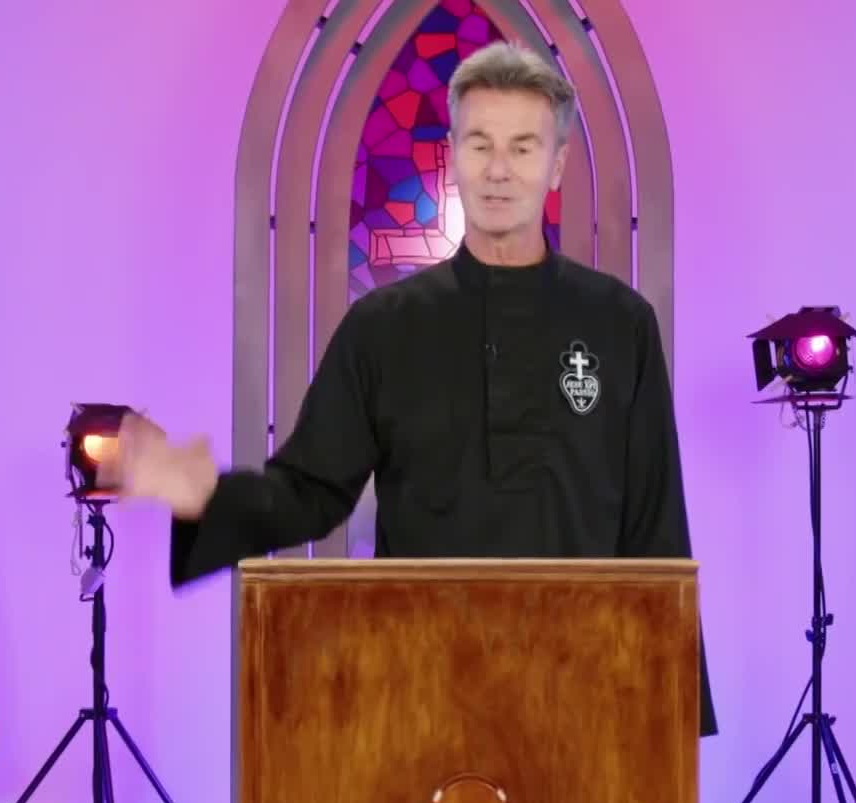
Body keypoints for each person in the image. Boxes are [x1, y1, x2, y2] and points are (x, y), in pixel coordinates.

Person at [104, 42, 716, 736]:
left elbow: (655, 524)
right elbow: (311, 490)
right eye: (480, 144)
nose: (498, 170)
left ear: (557, 165)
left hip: (585, 693)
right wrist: (204, 494)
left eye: (523, 148)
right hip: (422, 689)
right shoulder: (383, 327)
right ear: (453, 154)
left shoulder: (619, 323)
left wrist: (674, 712)